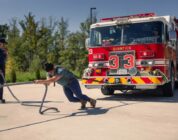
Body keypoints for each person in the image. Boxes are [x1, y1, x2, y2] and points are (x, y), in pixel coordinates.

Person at [0, 38, 8, 104]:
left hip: (2, 69)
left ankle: (1, 98)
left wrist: (6, 54)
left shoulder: (3, 50)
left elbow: (5, 59)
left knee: (2, 84)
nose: (4, 45)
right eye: (3, 43)